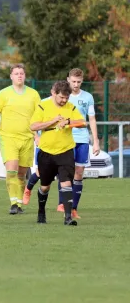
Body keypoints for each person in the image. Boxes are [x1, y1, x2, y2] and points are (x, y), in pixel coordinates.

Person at [30, 81, 84, 225]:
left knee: (66, 183)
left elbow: (82, 122)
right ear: (53, 93)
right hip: (46, 152)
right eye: (61, 97)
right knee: (45, 186)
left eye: (66, 97)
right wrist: (52, 121)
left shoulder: (70, 107)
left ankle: (67, 218)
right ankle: (41, 211)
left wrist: (67, 121)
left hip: (65, 151)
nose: (64, 100)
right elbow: (33, 126)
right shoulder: (43, 106)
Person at [0, 64, 41, 214]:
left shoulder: (33, 94)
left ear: (25, 76)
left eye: (22, 73)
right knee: (11, 171)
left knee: (21, 173)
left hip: (27, 138)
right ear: (11, 76)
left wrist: (37, 135)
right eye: (16, 73)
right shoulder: (3, 94)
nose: (19, 76)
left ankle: (18, 204)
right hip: (8, 137)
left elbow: (39, 117)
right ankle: (13, 203)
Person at [56, 68, 99, 218]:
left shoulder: (88, 97)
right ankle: (62, 203)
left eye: (79, 82)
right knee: (66, 171)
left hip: (82, 139)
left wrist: (96, 141)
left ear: (82, 81)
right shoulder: (62, 97)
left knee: (79, 173)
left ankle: (74, 208)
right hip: (66, 139)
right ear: (68, 79)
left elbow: (91, 119)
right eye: (73, 81)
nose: (75, 84)